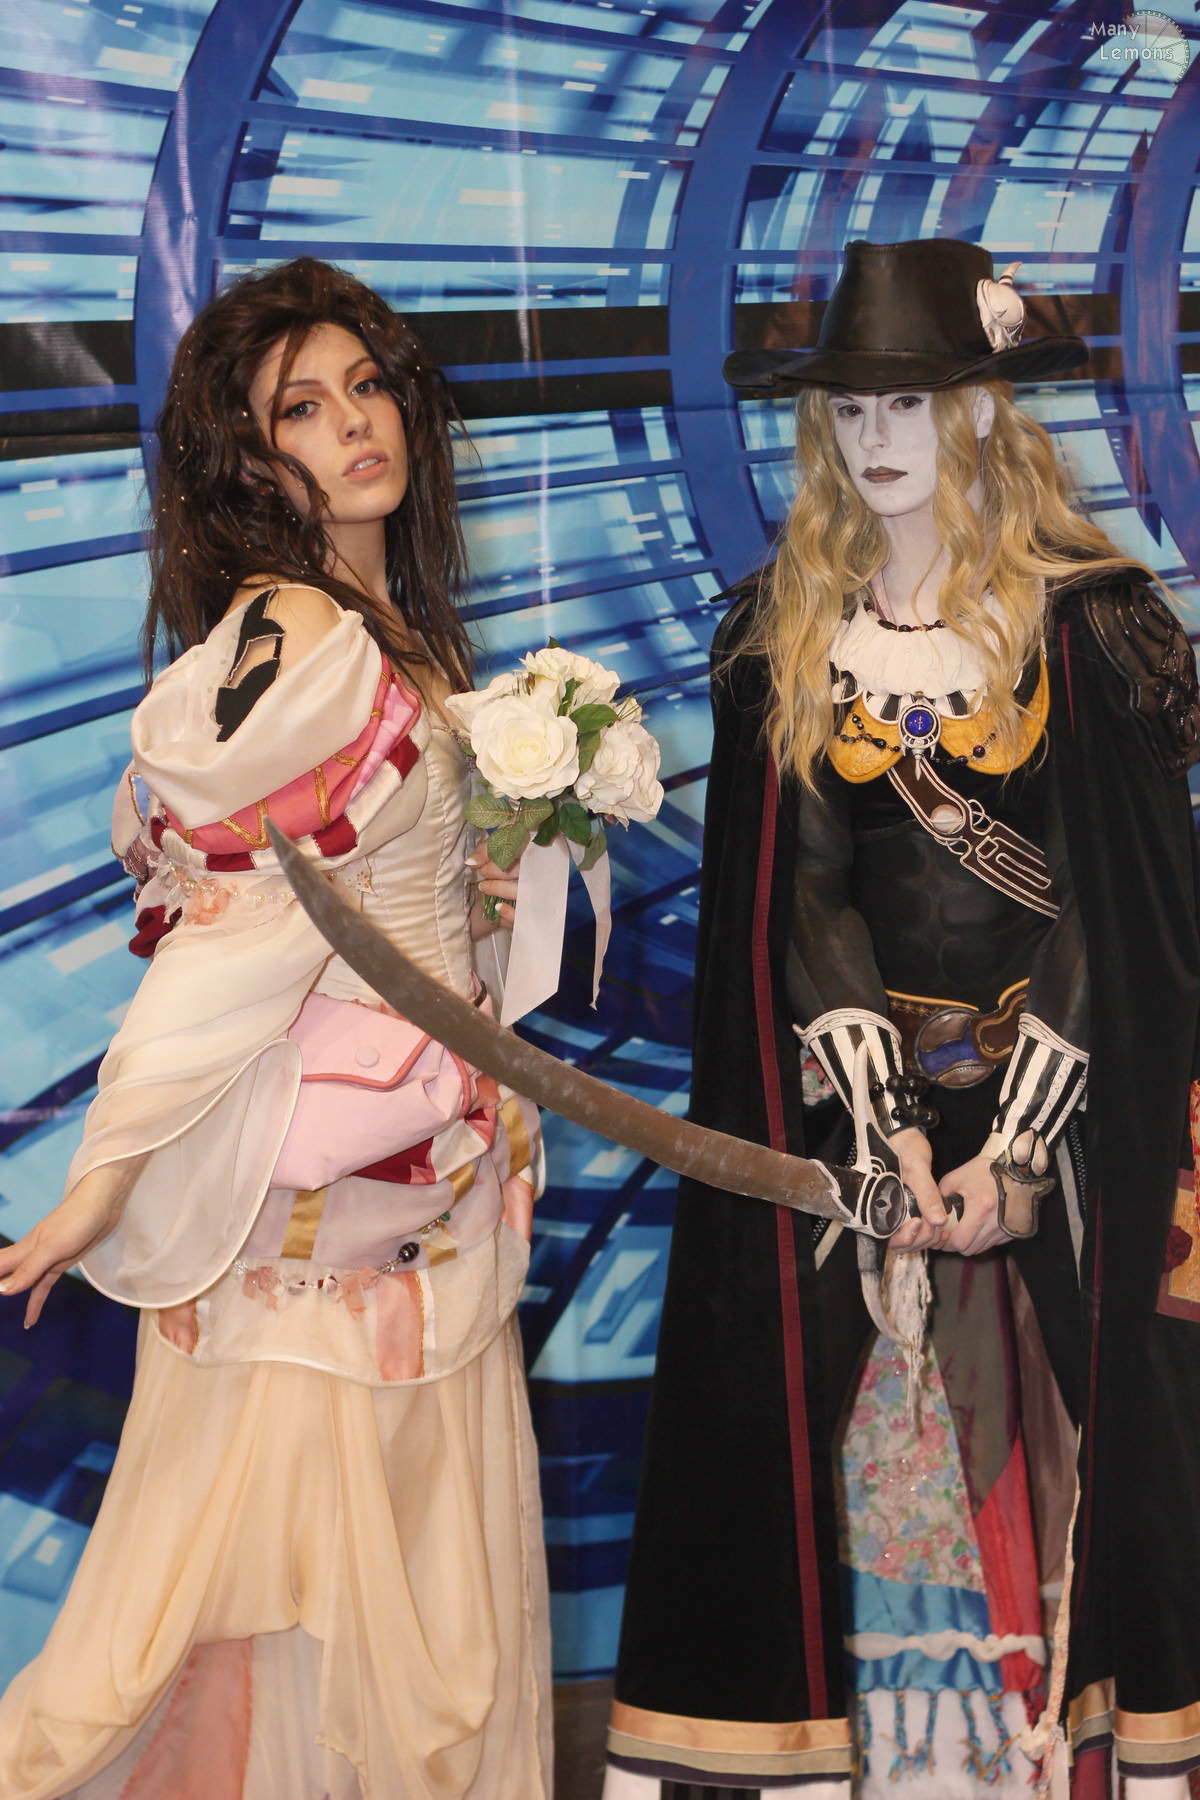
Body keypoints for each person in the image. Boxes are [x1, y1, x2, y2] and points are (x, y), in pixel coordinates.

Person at [603, 239, 1200, 1799]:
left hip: (1069, 1110)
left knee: (1130, 1431)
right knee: (788, 1438)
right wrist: (881, 1140)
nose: (876, 438)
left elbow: (1122, 912)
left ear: (982, 410)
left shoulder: (1091, 625)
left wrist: (1018, 1152)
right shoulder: (785, 635)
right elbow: (799, 900)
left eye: (911, 402)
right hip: (864, 1107)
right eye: (851, 407)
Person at [0, 257, 552, 1799]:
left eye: (367, 386)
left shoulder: (383, 627)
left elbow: (372, 896)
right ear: (246, 458)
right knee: (279, 1626)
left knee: (357, 1628)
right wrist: (106, 1175)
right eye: (301, 408)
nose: (355, 424)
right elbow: (228, 929)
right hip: (327, 1217)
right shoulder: (306, 635)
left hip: (418, 1195)